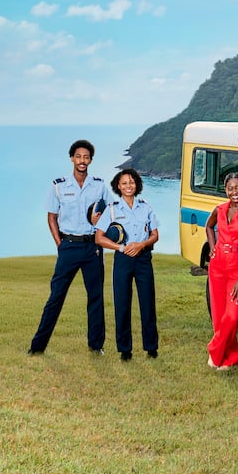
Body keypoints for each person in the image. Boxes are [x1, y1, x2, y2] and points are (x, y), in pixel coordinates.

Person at [28, 140, 112, 356]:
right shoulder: (59, 185)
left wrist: (102, 222)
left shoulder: (100, 185)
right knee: (56, 296)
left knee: (95, 297)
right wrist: (60, 245)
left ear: (90, 160)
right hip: (68, 246)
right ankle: (37, 346)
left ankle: (96, 345)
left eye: (86, 157)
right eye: (78, 156)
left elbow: (112, 213)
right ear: (72, 159)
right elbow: (51, 217)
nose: (82, 161)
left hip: (92, 248)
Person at [95, 169, 160, 361]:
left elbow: (155, 234)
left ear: (137, 184)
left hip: (143, 259)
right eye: (124, 183)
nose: (128, 186)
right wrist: (121, 248)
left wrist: (141, 245)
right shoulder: (112, 209)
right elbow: (99, 238)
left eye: (131, 182)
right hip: (123, 260)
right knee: (122, 303)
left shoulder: (146, 207)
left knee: (147, 303)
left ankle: (151, 347)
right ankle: (125, 349)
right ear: (118, 186)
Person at [205, 172, 238, 371]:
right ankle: (231, 358)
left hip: (237, 268)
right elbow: (209, 226)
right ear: (225, 190)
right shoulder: (219, 209)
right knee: (219, 315)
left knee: (233, 316)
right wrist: (212, 247)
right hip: (217, 266)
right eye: (230, 188)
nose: (234, 192)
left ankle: (214, 350)